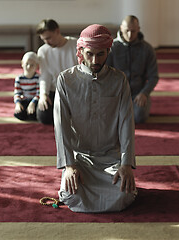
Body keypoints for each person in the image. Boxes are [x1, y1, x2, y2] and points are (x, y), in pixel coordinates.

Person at [54, 24, 137, 213]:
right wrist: (69, 165)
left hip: (110, 158)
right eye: (90, 54)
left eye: (100, 54)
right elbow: (62, 126)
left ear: (108, 51)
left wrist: (126, 164)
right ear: (81, 51)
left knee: (125, 193)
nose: (94, 60)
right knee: (71, 195)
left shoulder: (119, 80)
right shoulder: (65, 80)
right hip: (80, 159)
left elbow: (126, 123)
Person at [107, 15, 159, 124]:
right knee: (109, 118)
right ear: (121, 28)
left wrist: (144, 93)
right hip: (117, 94)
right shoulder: (112, 48)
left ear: (138, 30)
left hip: (138, 93)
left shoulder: (147, 49)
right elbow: (105, 74)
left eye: (133, 31)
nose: (130, 35)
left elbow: (154, 76)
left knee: (139, 117)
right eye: (127, 31)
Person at [36, 19, 78, 124]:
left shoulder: (75, 45)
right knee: (44, 117)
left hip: (73, 91)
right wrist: (43, 95)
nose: (47, 42)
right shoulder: (43, 50)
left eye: (48, 38)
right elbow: (44, 76)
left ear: (57, 31)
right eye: (43, 39)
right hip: (54, 91)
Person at [14, 51, 40, 121]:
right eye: (27, 64)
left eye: (32, 65)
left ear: (37, 65)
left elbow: (38, 93)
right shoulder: (19, 78)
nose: (29, 67)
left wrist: (33, 103)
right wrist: (18, 103)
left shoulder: (38, 78)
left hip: (34, 100)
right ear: (22, 63)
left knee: (33, 116)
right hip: (24, 100)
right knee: (19, 114)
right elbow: (17, 93)